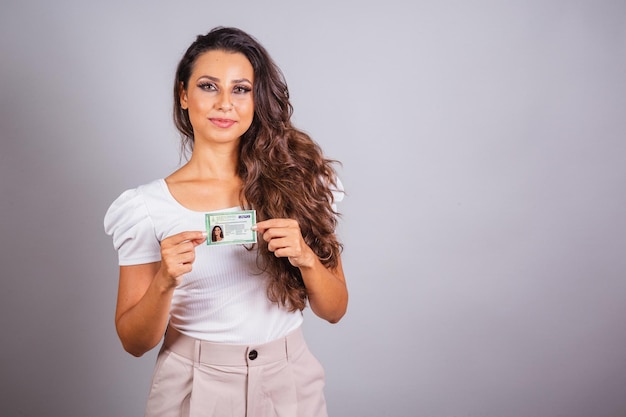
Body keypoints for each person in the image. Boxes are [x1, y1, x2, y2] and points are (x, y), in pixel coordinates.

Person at [103, 26, 347, 417]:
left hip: (290, 381)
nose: (224, 104)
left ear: (256, 99)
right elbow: (134, 342)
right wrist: (164, 280)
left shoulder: (300, 182)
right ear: (184, 95)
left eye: (240, 89)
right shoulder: (146, 207)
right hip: (193, 385)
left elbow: (335, 309)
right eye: (207, 86)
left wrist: (305, 258)